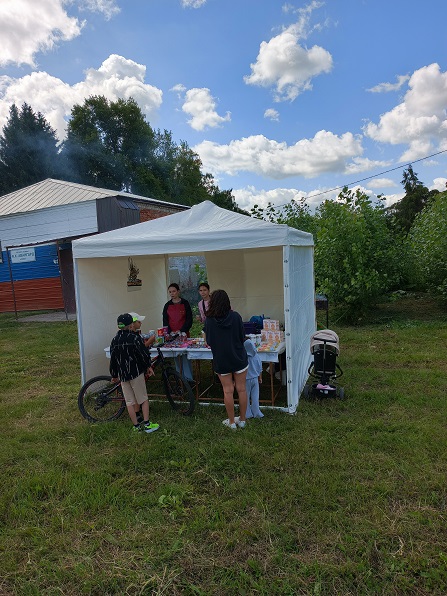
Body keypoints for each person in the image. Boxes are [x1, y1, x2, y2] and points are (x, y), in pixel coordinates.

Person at [204, 289, 248, 430]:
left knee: (228, 391)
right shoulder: (236, 317)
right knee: (241, 389)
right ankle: (242, 420)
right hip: (238, 357)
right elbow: (242, 337)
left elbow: (209, 341)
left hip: (221, 359)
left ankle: (231, 422)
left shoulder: (209, 321)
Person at [109, 313, 159, 434]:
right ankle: (147, 424)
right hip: (136, 372)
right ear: (131, 325)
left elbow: (113, 359)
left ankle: (136, 427)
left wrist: (114, 375)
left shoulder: (114, 340)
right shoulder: (135, 338)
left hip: (123, 375)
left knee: (129, 402)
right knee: (143, 398)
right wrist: (148, 366)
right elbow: (143, 354)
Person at [162, 283, 194, 383]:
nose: (172, 293)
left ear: (178, 291)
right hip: (172, 335)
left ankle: (188, 378)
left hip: (183, 333)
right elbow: (165, 321)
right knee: (176, 355)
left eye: (174, 291)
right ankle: (179, 377)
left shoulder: (185, 303)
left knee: (184, 355)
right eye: (170, 292)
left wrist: (182, 330)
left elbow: (189, 319)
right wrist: (169, 332)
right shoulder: (167, 305)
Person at [244, 337, 264, 419]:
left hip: (245, 380)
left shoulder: (243, 358)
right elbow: (260, 368)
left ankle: (247, 413)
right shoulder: (256, 356)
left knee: (246, 397)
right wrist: (260, 377)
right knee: (255, 397)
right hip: (255, 378)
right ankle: (256, 412)